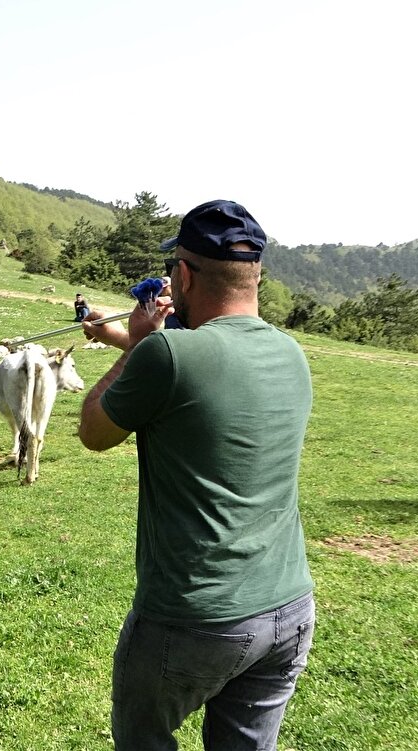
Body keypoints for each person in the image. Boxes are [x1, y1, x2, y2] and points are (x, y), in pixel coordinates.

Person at [77, 199, 315, 751]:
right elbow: (203, 370)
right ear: (254, 275)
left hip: (193, 617)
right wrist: (135, 343)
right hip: (287, 610)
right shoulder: (291, 354)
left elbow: (95, 431)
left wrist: (135, 343)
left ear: (183, 274)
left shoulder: (165, 353)